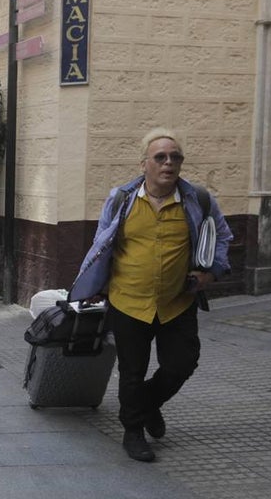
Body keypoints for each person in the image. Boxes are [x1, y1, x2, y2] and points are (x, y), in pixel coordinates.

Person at [69, 128, 232, 463]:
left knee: (182, 364)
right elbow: (102, 246)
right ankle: (133, 432)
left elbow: (223, 236)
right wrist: (91, 286)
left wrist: (211, 272)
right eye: (160, 157)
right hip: (129, 301)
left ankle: (146, 404)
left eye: (175, 157)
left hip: (177, 302)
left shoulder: (197, 200)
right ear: (144, 163)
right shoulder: (121, 200)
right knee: (132, 371)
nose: (168, 163)